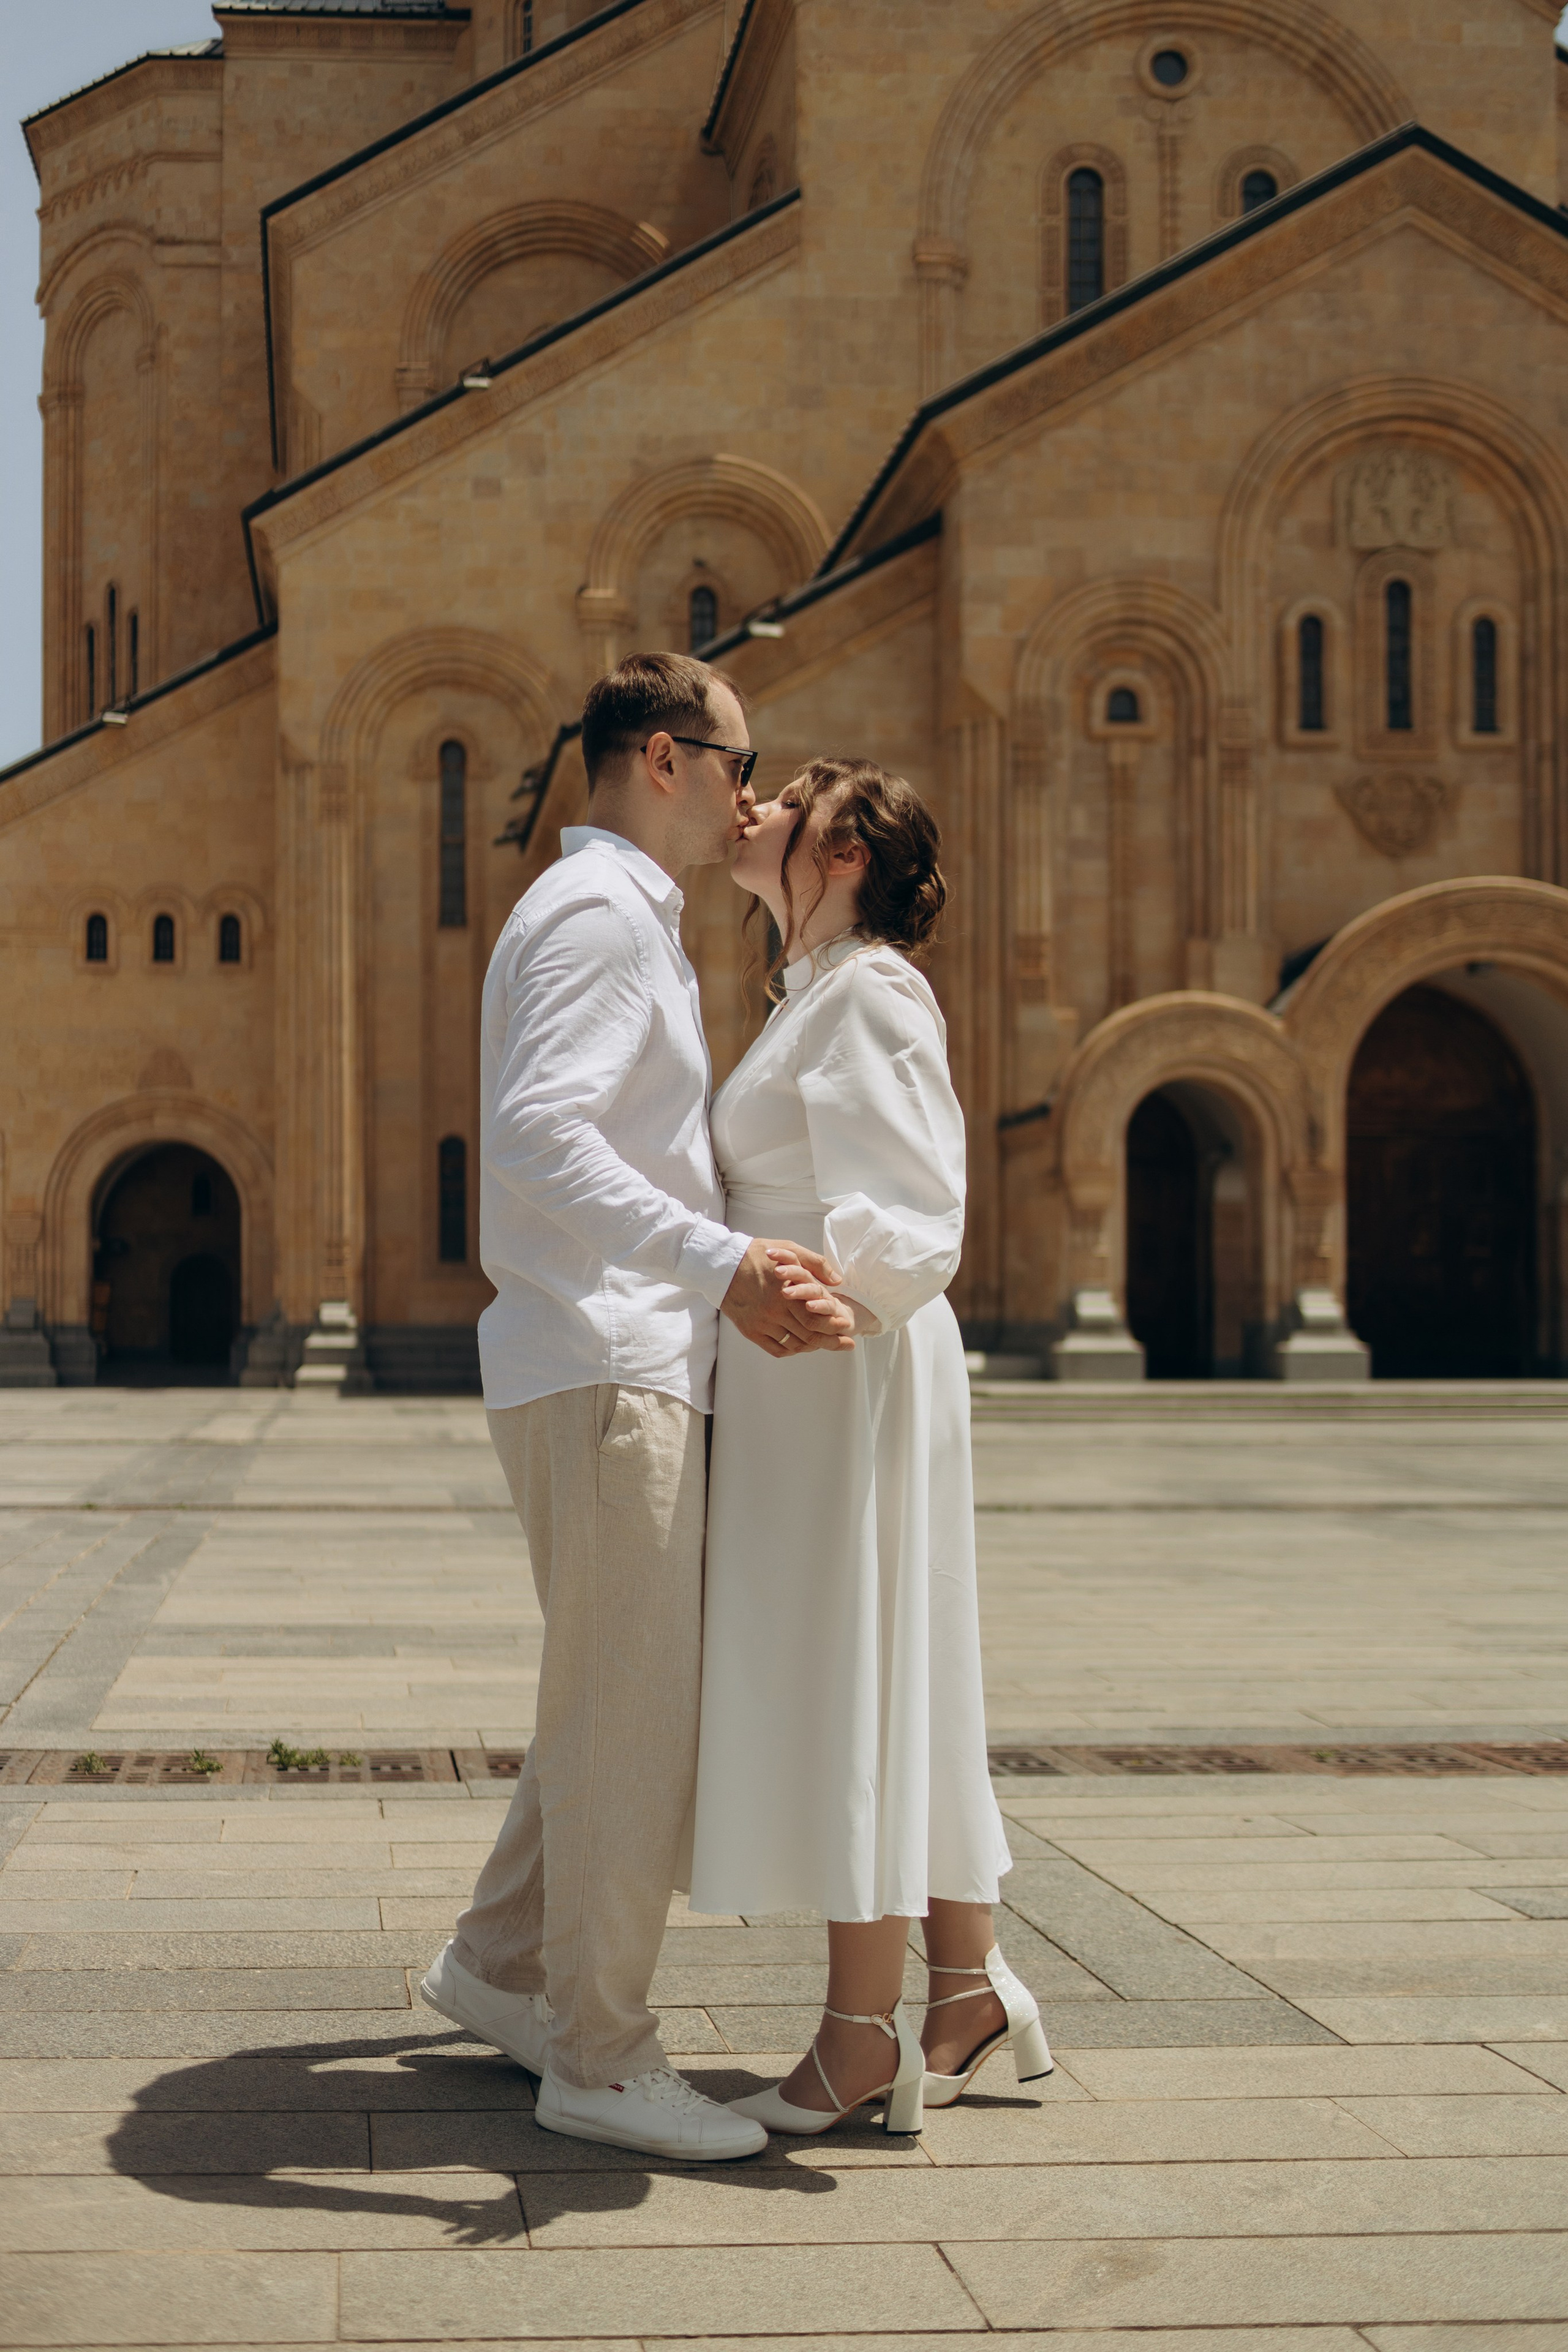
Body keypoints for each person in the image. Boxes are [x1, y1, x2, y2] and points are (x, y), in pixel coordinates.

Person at [419, 654, 848, 2163]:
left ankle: (497, 1970)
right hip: (608, 1362)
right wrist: (719, 1259)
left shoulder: (610, 914)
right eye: (743, 761)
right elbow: (536, 1138)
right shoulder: (600, 918)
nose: (755, 787)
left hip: (605, 1356)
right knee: (630, 1727)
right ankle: (600, 2053)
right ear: (666, 758)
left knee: (602, 1703)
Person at [689, 758, 1053, 2135]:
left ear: (840, 851)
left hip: (837, 1366)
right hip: (810, 1365)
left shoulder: (869, 993)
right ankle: (959, 1987)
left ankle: (860, 2036)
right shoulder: (808, 994)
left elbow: (912, 1208)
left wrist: (841, 1295)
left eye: (784, 798)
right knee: (893, 1674)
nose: (752, 806)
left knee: (857, 1672)